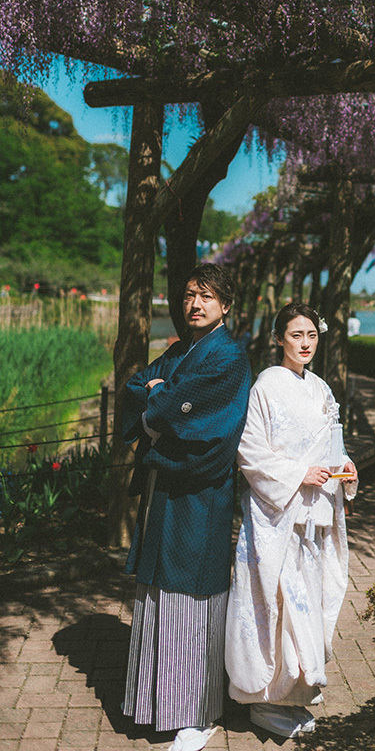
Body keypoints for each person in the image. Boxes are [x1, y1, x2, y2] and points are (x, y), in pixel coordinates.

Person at [122, 263, 251, 751]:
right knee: (159, 592)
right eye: (189, 296)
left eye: (206, 297)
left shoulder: (230, 359)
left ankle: (197, 711)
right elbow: (139, 386)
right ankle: (157, 701)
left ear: (225, 305)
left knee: (192, 594)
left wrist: (160, 402)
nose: (195, 305)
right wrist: (161, 399)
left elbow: (205, 426)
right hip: (165, 492)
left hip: (198, 492)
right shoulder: (182, 351)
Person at [226, 302, 358, 739]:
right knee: (277, 603)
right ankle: (263, 699)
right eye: (296, 335)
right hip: (277, 514)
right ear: (279, 337)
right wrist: (298, 474)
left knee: (308, 604)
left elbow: (332, 447)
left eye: (311, 336)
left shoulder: (321, 388)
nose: (304, 344)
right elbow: (249, 451)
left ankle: (294, 694)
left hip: (315, 514)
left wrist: (346, 468)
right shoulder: (265, 386)